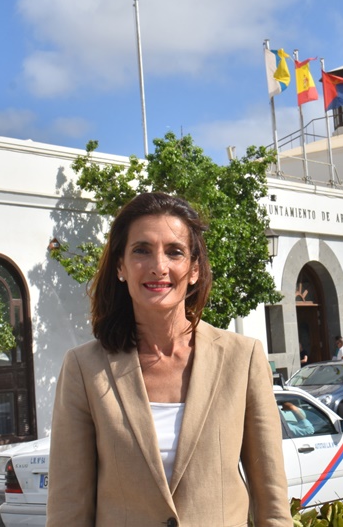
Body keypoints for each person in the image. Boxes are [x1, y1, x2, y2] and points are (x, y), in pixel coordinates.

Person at [46, 192, 292, 526]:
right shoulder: (85, 369)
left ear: (194, 269)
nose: (158, 267)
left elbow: (273, 506)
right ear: (120, 266)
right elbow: (68, 510)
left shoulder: (242, 359)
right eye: (141, 250)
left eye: (174, 252)